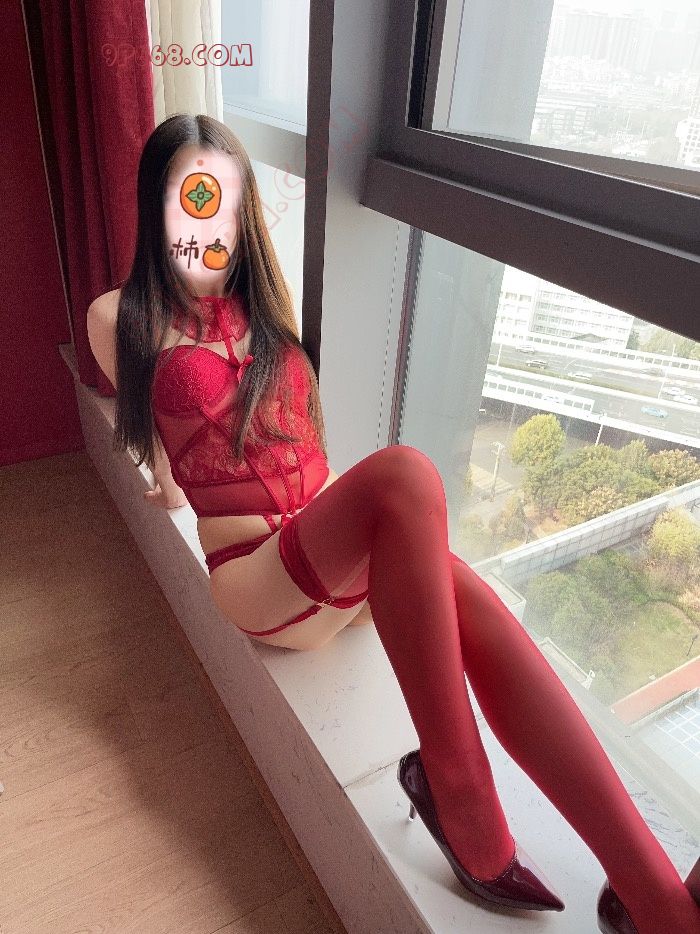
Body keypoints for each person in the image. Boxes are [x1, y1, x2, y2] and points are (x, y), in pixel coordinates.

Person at [86, 113, 700, 934]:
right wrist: (167, 474)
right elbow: (159, 444)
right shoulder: (118, 315)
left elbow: (297, 441)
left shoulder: (266, 307)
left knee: (471, 597)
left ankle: (652, 894)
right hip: (261, 581)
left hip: (331, 552)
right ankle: (461, 791)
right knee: (407, 474)